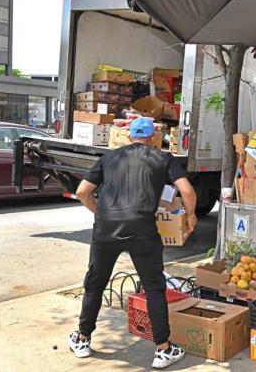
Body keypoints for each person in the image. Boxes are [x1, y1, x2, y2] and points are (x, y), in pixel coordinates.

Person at [68, 118, 198, 369]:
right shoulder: (163, 158)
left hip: (106, 228)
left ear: (129, 137)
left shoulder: (109, 158)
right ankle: (163, 349)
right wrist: (191, 216)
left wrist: (100, 213)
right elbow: (188, 191)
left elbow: (83, 192)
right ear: (152, 138)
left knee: (95, 283)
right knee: (153, 287)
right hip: (142, 228)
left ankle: (83, 339)